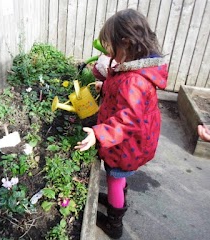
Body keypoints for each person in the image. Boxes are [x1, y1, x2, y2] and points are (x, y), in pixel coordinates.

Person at [74, 9, 168, 239]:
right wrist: (104, 87)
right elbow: (120, 90)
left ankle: (114, 223)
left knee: (114, 177)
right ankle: (119, 196)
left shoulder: (135, 80)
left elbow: (127, 120)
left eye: (109, 44)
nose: (107, 50)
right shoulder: (133, 67)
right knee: (118, 176)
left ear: (125, 42)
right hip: (130, 143)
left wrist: (98, 133)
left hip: (127, 145)